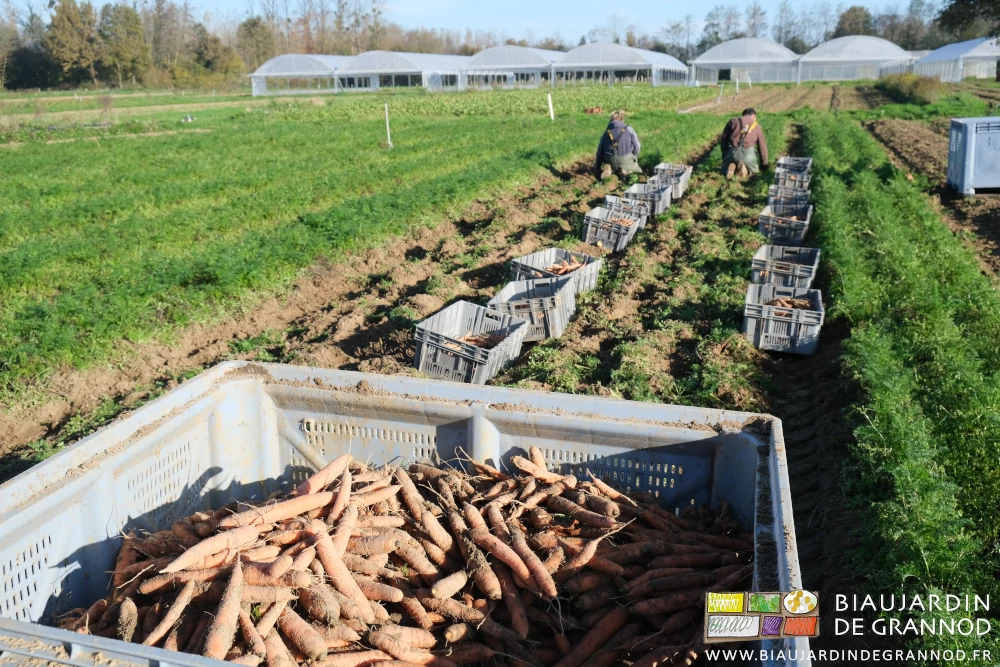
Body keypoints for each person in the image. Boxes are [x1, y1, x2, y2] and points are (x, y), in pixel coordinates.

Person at [720, 107, 768, 180]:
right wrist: (764, 165)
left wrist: (725, 155)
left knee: (723, 171)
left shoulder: (733, 121)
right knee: (754, 172)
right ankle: (745, 170)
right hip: (749, 155)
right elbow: (762, 147)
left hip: (732, 153)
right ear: (754, 116)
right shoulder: (756, 126)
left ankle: (730, 169)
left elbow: (724, 140)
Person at [595, 110, 642, 180]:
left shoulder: (606, 132)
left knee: (612, 163)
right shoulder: (629, 129)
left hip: (610, 159)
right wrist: (634, 156)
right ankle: (625, 172)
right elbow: (637, 147)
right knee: (638, 171)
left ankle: (609, 170)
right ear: (622, 119)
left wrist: (597, 167)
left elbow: (599, 151)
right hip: (626, 159)